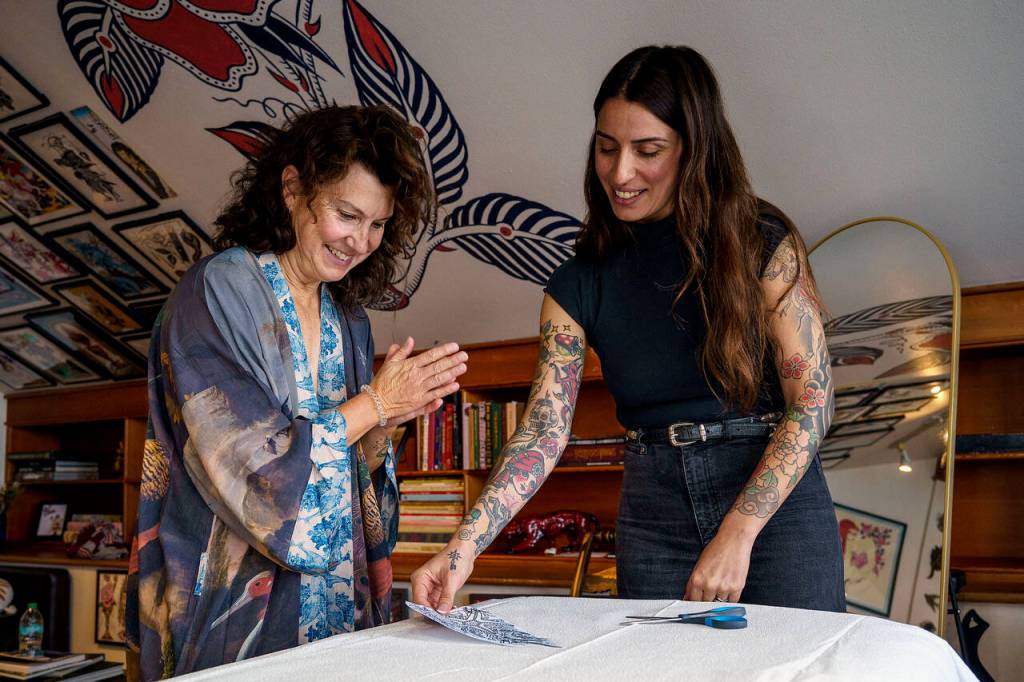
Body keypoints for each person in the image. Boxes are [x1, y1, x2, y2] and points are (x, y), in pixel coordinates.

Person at [412, 46, 844, 612]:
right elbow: (544, 429)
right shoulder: (577, 280)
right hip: (653, 508)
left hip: (772, 509)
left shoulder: (762, 241)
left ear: (694, 149)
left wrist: (738, 532)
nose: (621, 173)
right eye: (607, 147)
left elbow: (813, 400)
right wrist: (462, 548)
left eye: (648, 151)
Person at [126, 104, 468, 679]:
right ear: (292, 189)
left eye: (378, 224)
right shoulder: (219, 290)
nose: (361, 241)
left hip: (338, 605)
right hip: (231, 607)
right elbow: (243, 466)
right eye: (346, 214)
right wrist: (375, 403)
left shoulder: (349, 317)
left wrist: (387, 423)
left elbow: (351, 484)